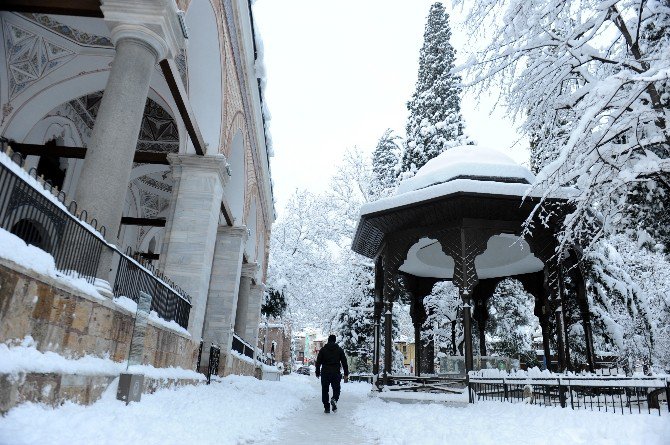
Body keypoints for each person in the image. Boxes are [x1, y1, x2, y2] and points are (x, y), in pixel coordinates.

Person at [315, 334, 349, 414]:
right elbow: (344, 362)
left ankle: (326, 407)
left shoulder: (323, 350)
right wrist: (346, 373)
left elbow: (318, 362)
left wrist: (317, 371)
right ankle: (334, 399)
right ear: (335, 340)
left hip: (325, 372)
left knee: (325, 390)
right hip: (335, 372)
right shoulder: (339, 350)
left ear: (328, 340)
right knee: (336, 389)